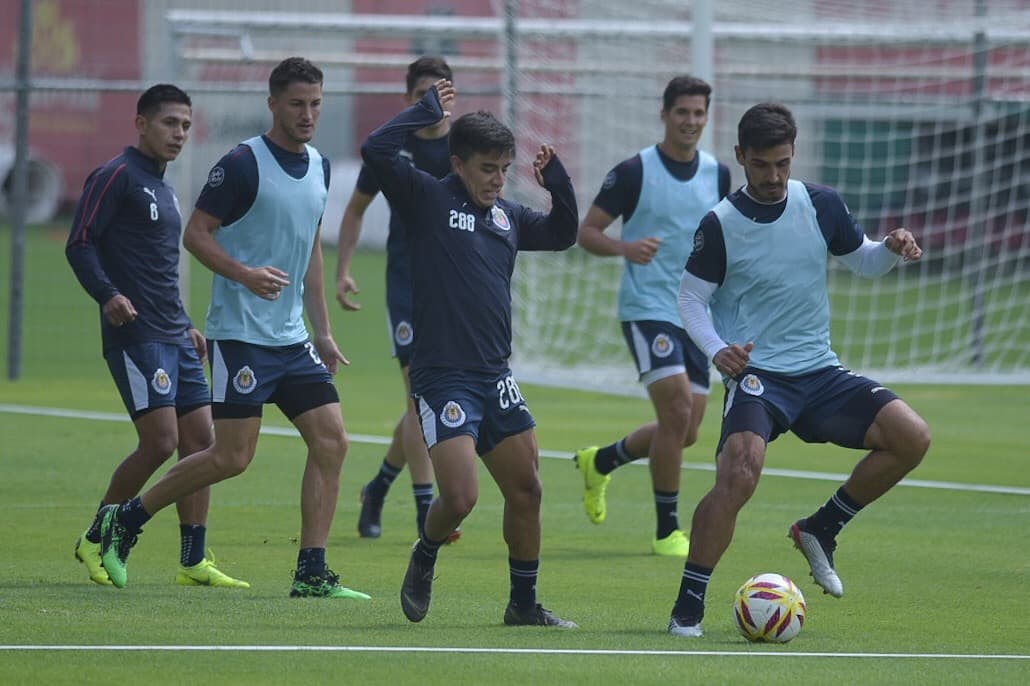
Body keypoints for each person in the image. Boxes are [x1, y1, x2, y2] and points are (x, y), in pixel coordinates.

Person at [88, 57, 370, 600]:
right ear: (273, 105)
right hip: (241, 336)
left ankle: (312, 572)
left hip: (291, 340)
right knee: (232, 458)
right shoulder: (242, 164)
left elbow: (310, 250)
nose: (307, 114)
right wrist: (243, 274)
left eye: (315, 104)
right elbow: (196, 235)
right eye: (296, 104)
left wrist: (324, 332)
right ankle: (128, 518)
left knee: (333, 441)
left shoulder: (320, 165)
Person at [668, 102, 930, 637]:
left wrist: (892, 247)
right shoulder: (720, 224)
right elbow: (691, 300)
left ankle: (821, 528)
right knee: (739, 472)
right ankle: (687, 609)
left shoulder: (821, 204)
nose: (773, 176)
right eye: (761, 164)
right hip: (760, 377)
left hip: (821, 372)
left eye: (783, 163)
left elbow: (863, 260)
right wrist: (719, 349)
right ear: (741, 156)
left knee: (912, 437)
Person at [361, 80, 579, 627]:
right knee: (459, 497)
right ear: (459, 164)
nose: (497, 179)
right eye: (487, 168)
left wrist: (559, 183)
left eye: (504, 168)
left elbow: (562, 234)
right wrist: (422, 111)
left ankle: (523, 606)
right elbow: (375, 151)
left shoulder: (507, 217)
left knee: (527, 489)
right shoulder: (427, 198)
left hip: (495, 377)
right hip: (443, 378)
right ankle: (426, 552)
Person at [66, 84, 248, 589]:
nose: (180, 134)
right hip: (135, 333)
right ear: (141, 123)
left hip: (174, 333)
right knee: (161, 440)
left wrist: (187, 321)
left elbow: (159, 269)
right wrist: (107, 294)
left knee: (201, 443)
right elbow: (80, 243)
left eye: (186, 125)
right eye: (170, 123)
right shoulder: (116, 175)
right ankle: (97, 538)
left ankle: (193, 559)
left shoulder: (166, 187)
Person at [573, 75, 730, 557]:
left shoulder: (718, 175)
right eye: (682, 112)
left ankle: (601, 461)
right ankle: (667, 530)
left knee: (685, 431)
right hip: (647, 310)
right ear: (664, 114)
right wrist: (625, 247)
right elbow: (588, 231)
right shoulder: (634, 171)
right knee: (677, 410)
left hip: (695, 313)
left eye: (698, 113)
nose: (690, 121)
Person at [336, 56, 459, 544]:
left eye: (441, 92)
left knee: (421, 403)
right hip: (406, 289)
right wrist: (343, 270)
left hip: (452, 291)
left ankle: (378, 487)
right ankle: (426, 510)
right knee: (418, 397)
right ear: (409, 100)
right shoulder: (394, 152)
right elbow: (355, 211)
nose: (433, 102)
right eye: (423, 94)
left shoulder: (463, 151)